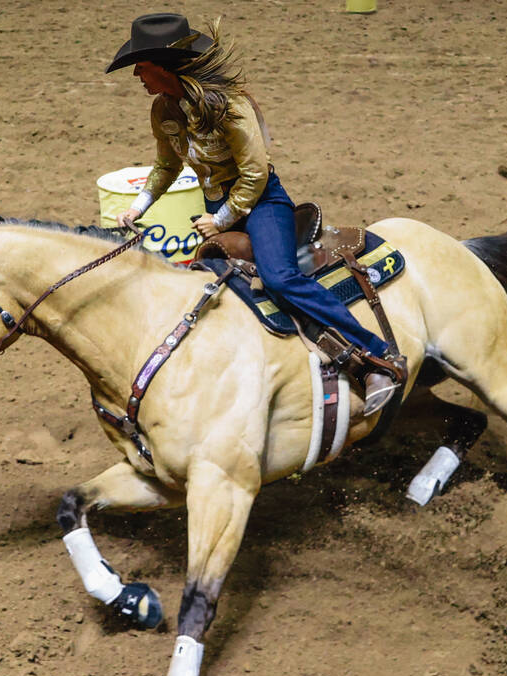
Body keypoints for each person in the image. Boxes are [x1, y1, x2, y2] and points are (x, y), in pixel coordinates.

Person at [107, 12, 399, 415]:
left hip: (260, 202)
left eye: (141, 67)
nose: (137, 76)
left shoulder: (230, 105)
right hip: (215, 207)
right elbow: (166, 166)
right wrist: (137, 207)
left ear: (164, 67)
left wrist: (222, 220)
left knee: (280, 277)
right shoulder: (163, 111)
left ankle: (375, 356)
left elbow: (255, 172)